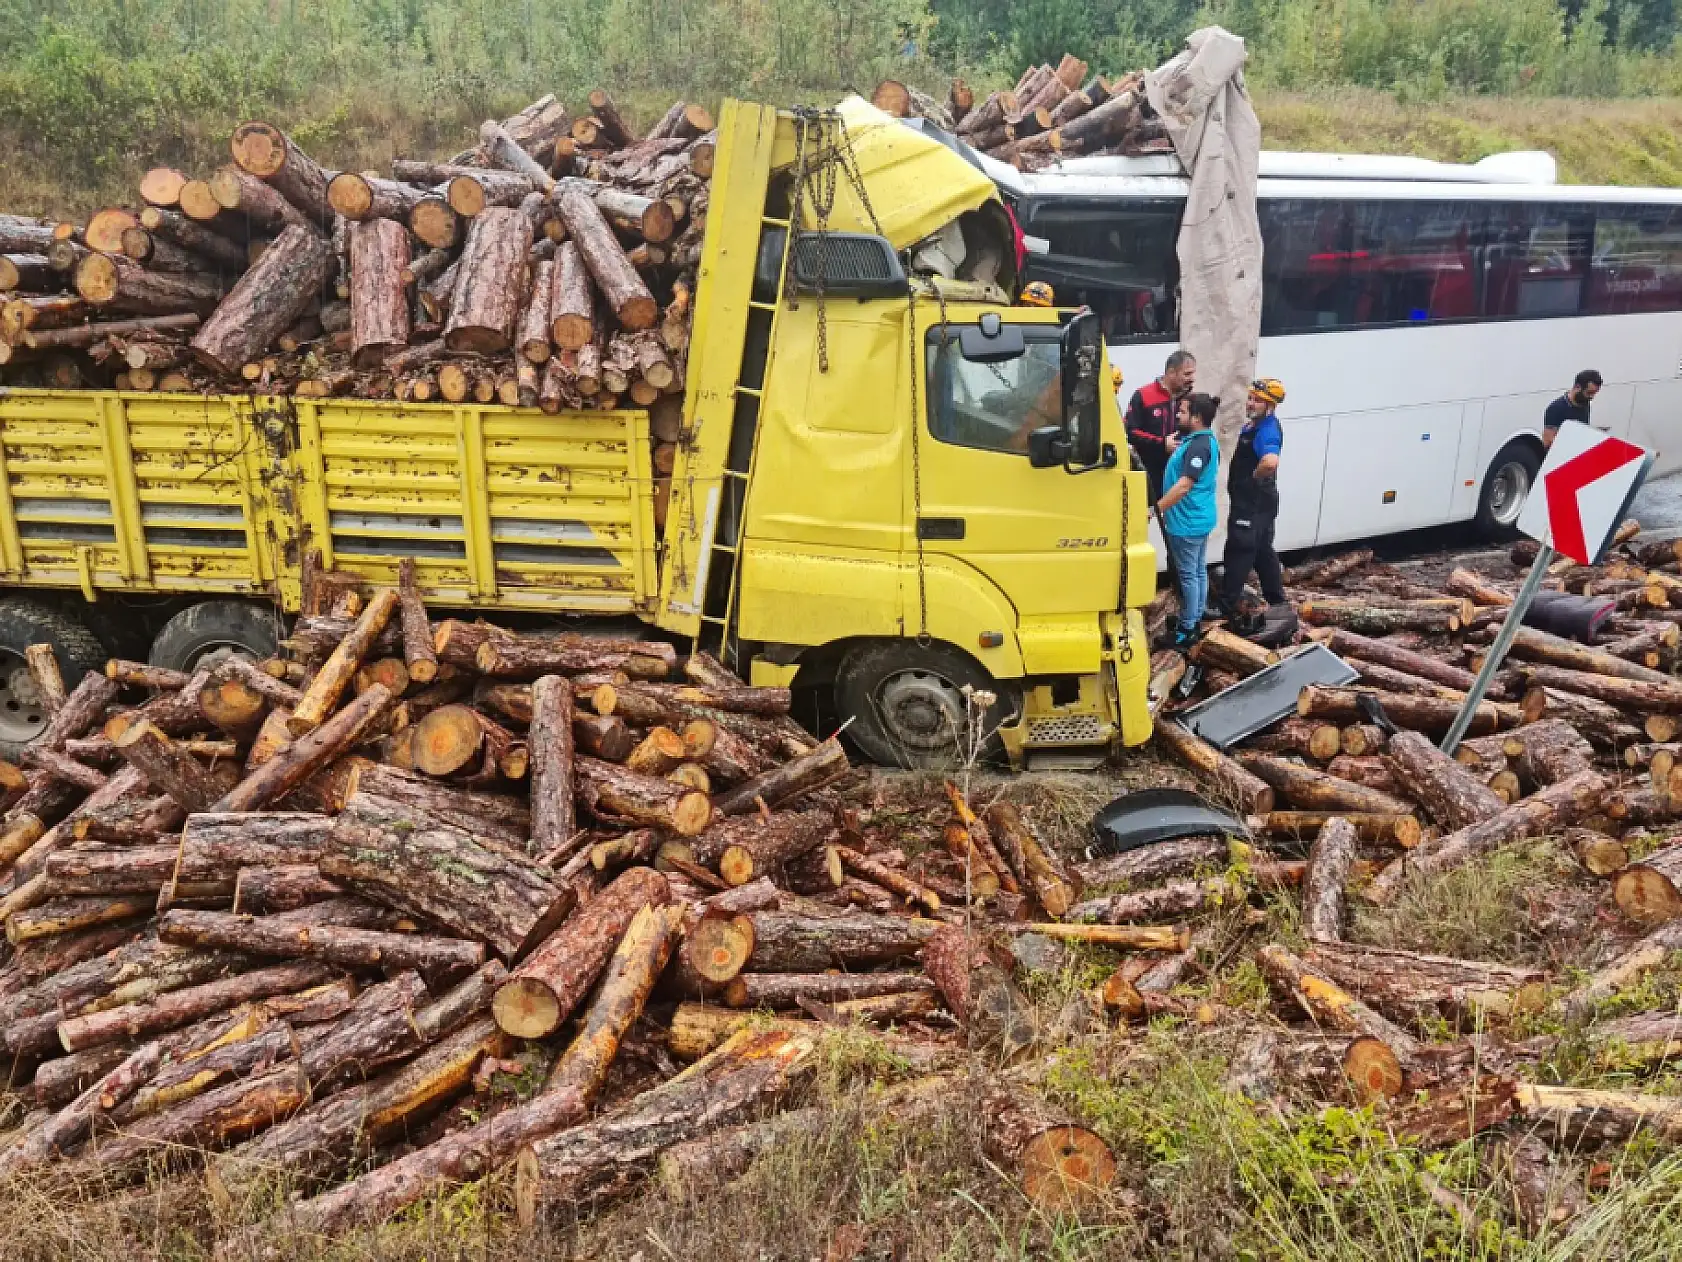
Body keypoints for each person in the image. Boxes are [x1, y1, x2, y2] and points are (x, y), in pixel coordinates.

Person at [1156, 392, 1220, 649]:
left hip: (1187, 522)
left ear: (1196, 417)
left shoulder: (1199, 445)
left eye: (1182, 412)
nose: (1178, 416)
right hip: (1197, 518)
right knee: (1197, 570)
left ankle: (1187, 628)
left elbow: (1183, 486)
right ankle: (1195, 614)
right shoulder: (1200, 441)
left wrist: (1156, 509)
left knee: (1189, 575)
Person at [1221, 378, 1288, 617]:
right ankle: (1277, 601)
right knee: (1262, 551)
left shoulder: (1267, 429)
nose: (1250, 403)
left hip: (1252, 504)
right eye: (1250, 398)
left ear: (1270, 406)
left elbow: (1270, 461)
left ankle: (1226, 606)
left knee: (1240, 550)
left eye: (1257, 401)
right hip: (1259, 503)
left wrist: (1253, 478)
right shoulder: (1253, 426)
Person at [1125, 349, 1197, 497]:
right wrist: (1162, 443)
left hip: (1178, 475)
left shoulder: (1191, 398)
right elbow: (1130, 432)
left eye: (1193, 373)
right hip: (1148, 475)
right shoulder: (1143, 395)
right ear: (1171, 372)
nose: (1192, 378)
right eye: (1187, 374)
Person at [1542, 369, 1602, 447]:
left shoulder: (1585, 405)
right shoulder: (1555, 408)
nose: (1592, 397)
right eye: (1589, 393)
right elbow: (1547, 440)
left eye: (1594, 393)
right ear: (1577, 387)